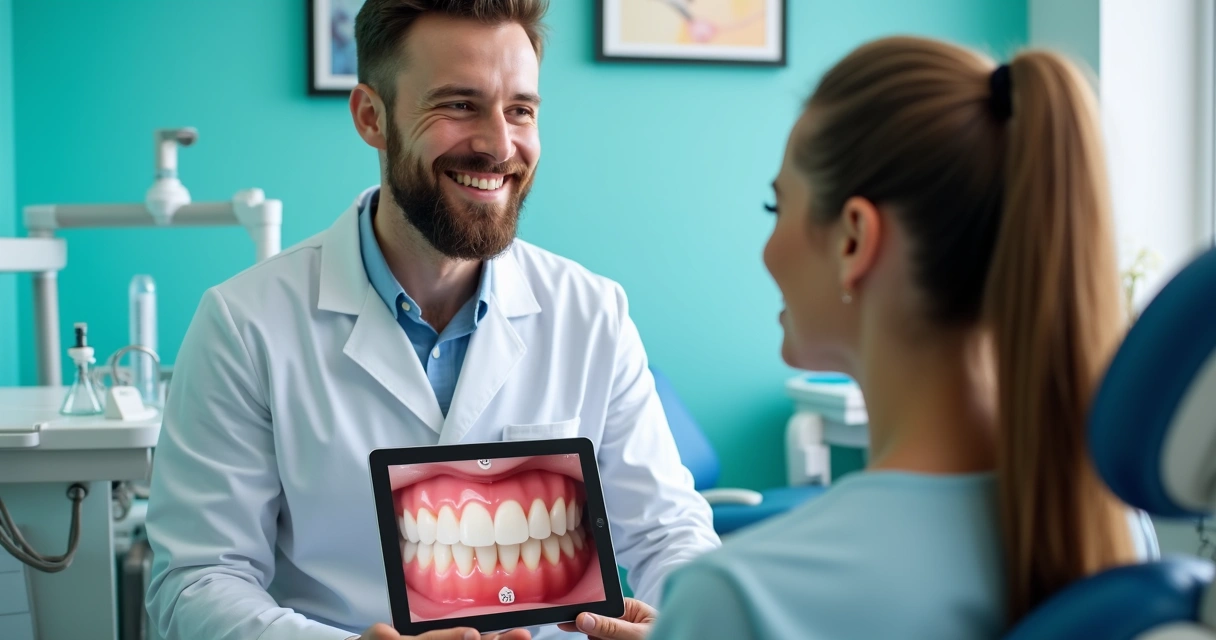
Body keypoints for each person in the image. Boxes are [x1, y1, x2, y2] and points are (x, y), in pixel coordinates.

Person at [142, 2, 719, 639]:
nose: (500, 145)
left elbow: (669, 532)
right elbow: (194, 583)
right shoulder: (245, 324)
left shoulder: (592, 312)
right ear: (371, 116)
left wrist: (691, 627)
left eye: (520, 110)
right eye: (459, 105)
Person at [559, 36, 1159, 640]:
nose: (767, 252)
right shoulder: (1112, 532)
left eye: (778, 207)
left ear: (853, 240)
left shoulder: (743, 597)